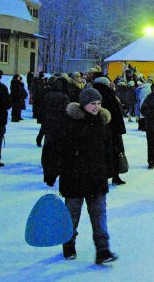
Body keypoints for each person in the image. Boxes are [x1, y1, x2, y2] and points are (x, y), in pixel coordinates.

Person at [45, 88, 118, 264]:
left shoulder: (102, 123)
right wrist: (51, 172)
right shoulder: (68, 123)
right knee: (72, 216)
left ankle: (103, 250)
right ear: (83, 104)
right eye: (92, 103)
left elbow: (109, 149)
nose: (96, 107)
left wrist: (111, 169)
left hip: (96, 178)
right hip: (74, 178)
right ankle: (68, 245)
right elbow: (53, 149)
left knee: (99, 215)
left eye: (99, 104)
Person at [93, 77, 127, 185]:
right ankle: (115, 176)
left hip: (100, 130)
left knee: (101, 154)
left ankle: (105, 176)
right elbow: (116, 114)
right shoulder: (109, 95)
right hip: (112, 130)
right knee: (115, 153)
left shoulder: (93, 94)